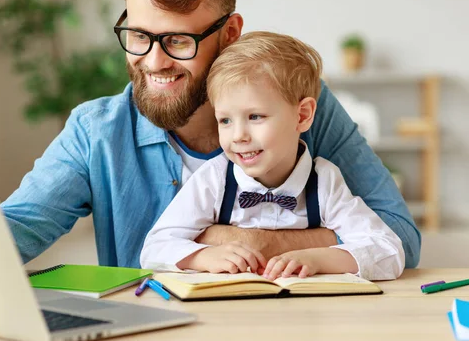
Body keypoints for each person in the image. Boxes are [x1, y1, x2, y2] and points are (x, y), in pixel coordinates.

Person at [0, 0, 420, 269]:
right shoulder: (97, 131)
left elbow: (399, 237)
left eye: (178, 41)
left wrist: (237, 239)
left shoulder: (301, 104)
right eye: (139, 36)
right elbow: (12, 230)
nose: (154, 62)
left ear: (230, 34)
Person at [140, 32, 405, 281]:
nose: (238, 136)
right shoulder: (213, 179)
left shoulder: (324, 181)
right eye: (225, 120)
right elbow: (154, 249)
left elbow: (389, 251)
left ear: (302, 116)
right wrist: (203, 256)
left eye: (255, 117)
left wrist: (319, 259)